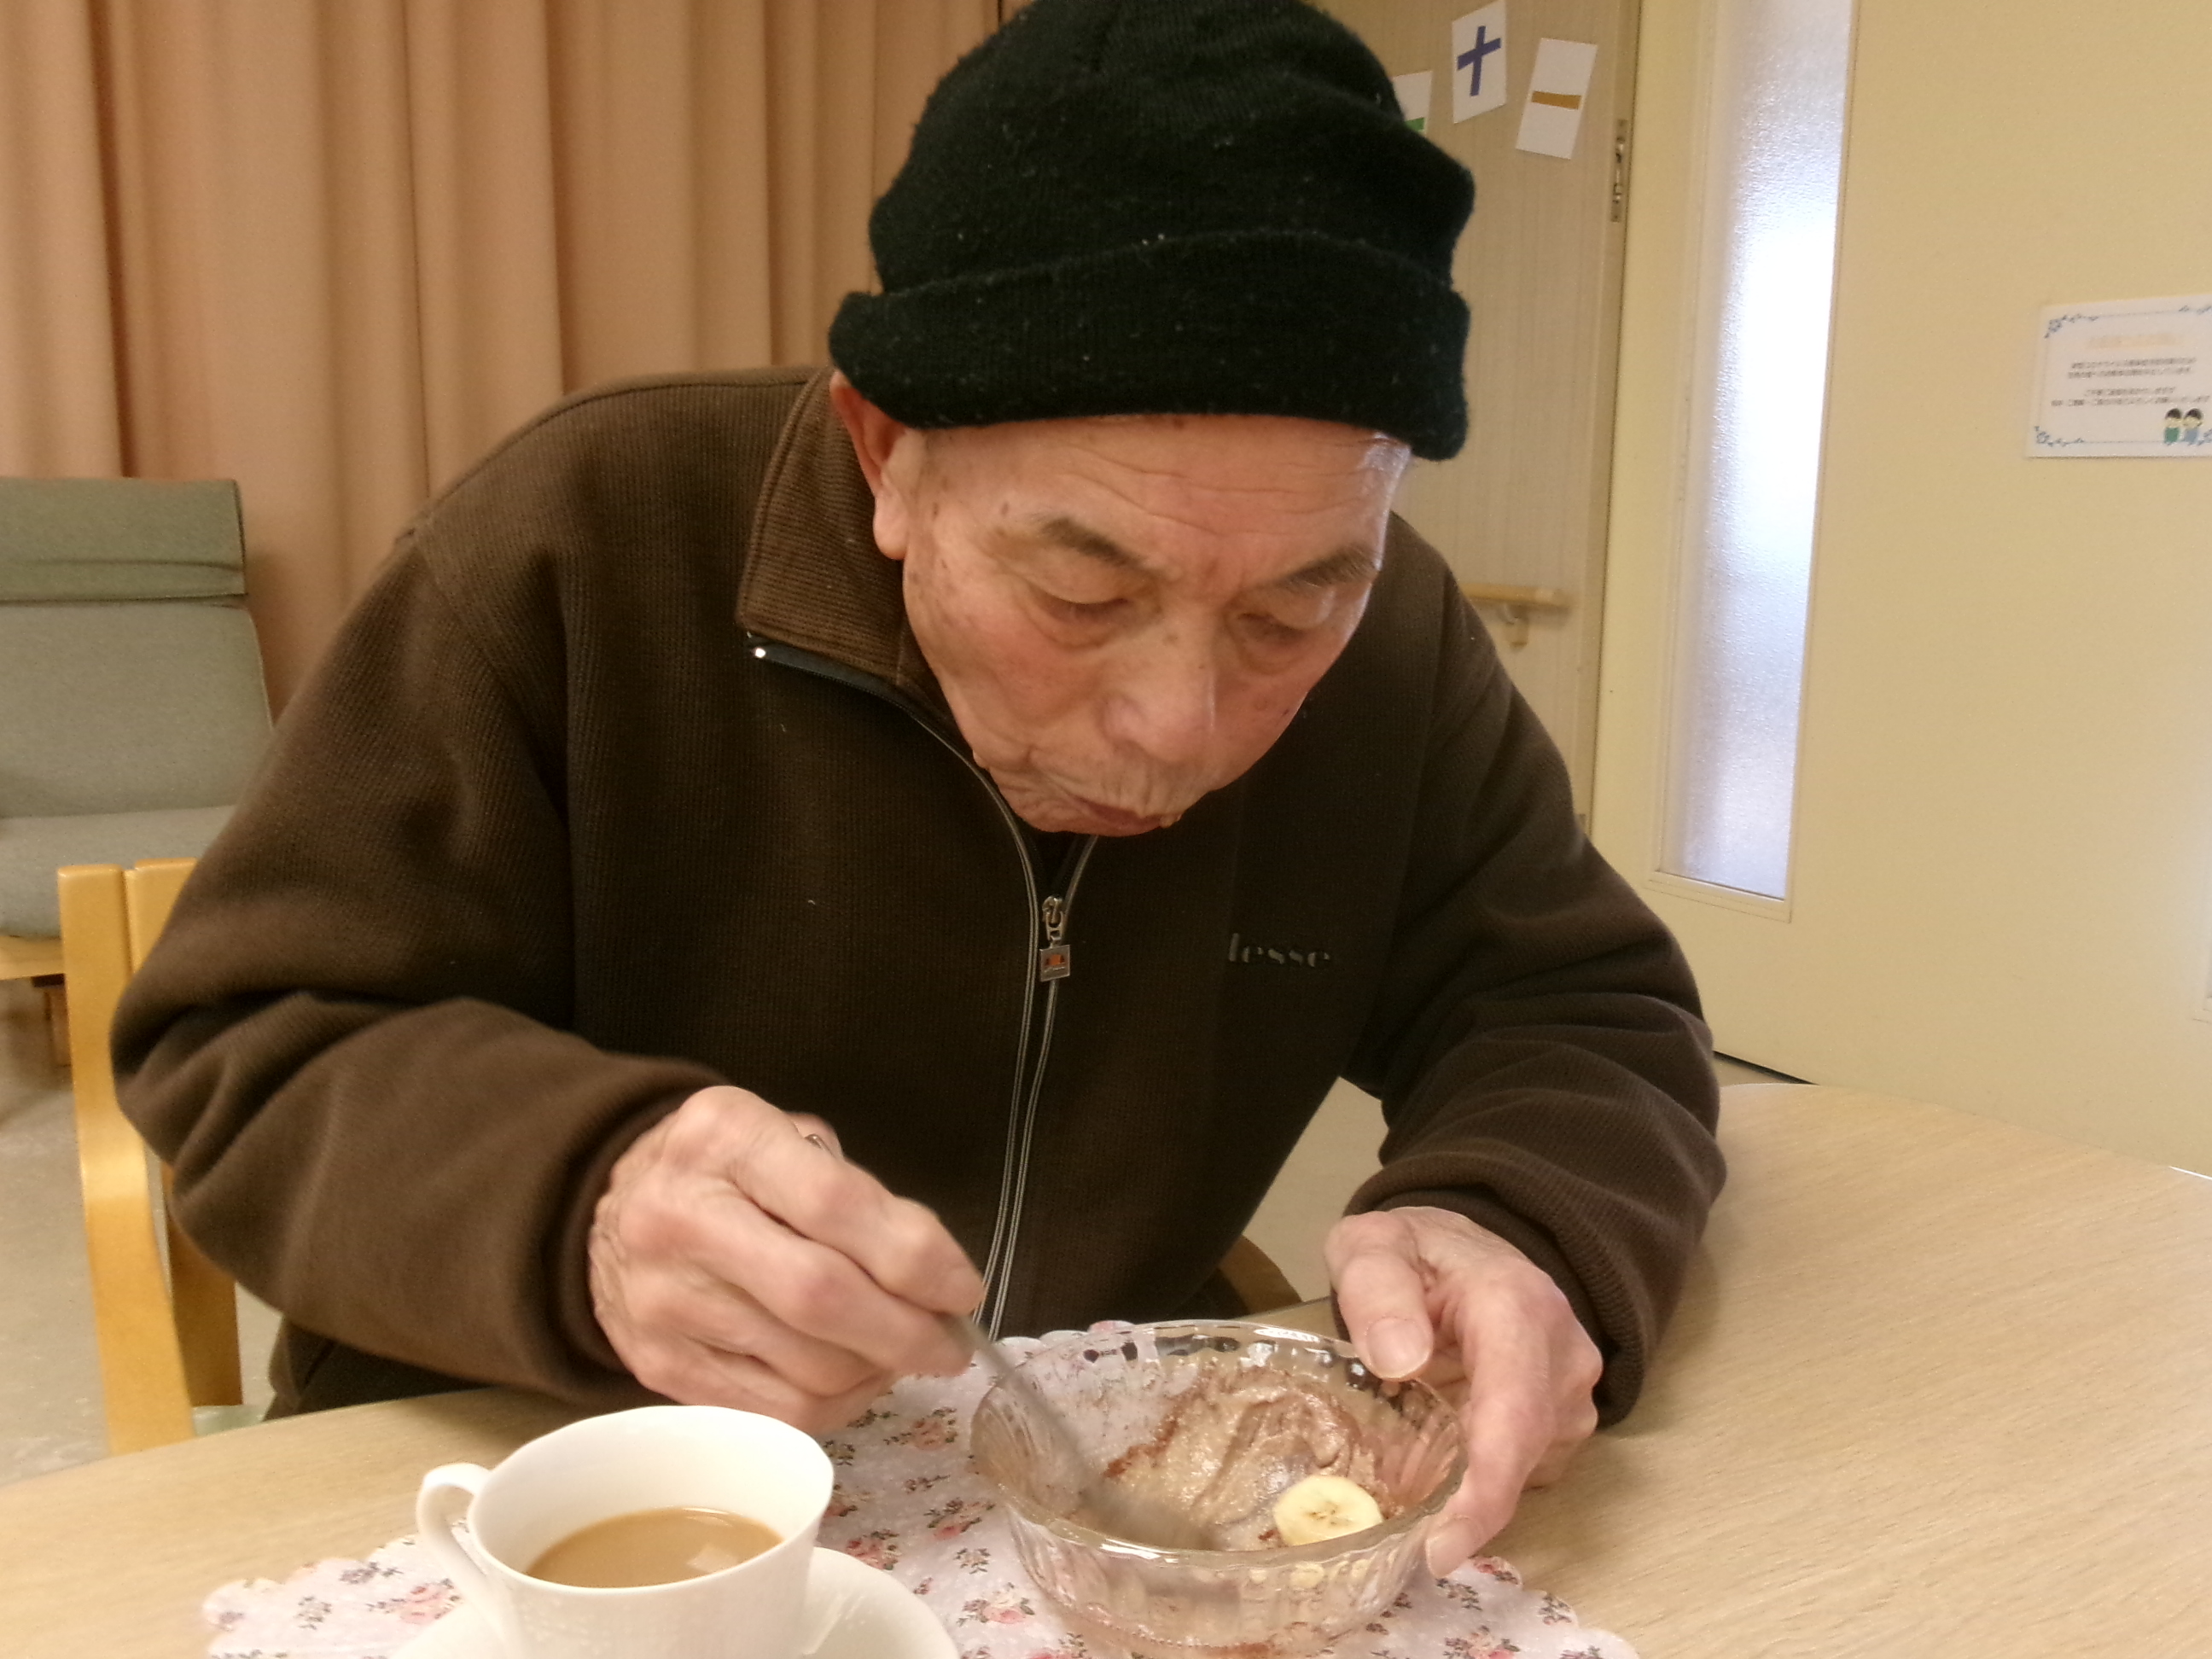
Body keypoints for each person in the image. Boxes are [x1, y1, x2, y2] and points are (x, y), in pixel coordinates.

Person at [117, 0, 1723, 1574]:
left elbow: (1574, 1009)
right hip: (533, 1486)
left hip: (1095, 1499)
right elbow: (247, 1048)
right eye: (1082, 593)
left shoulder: (1400, 640)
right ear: (887, 453)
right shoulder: (582, 537)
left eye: (1290, 612)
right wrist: (576, 1208)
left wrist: (1518, 1217)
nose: (1178, 729)